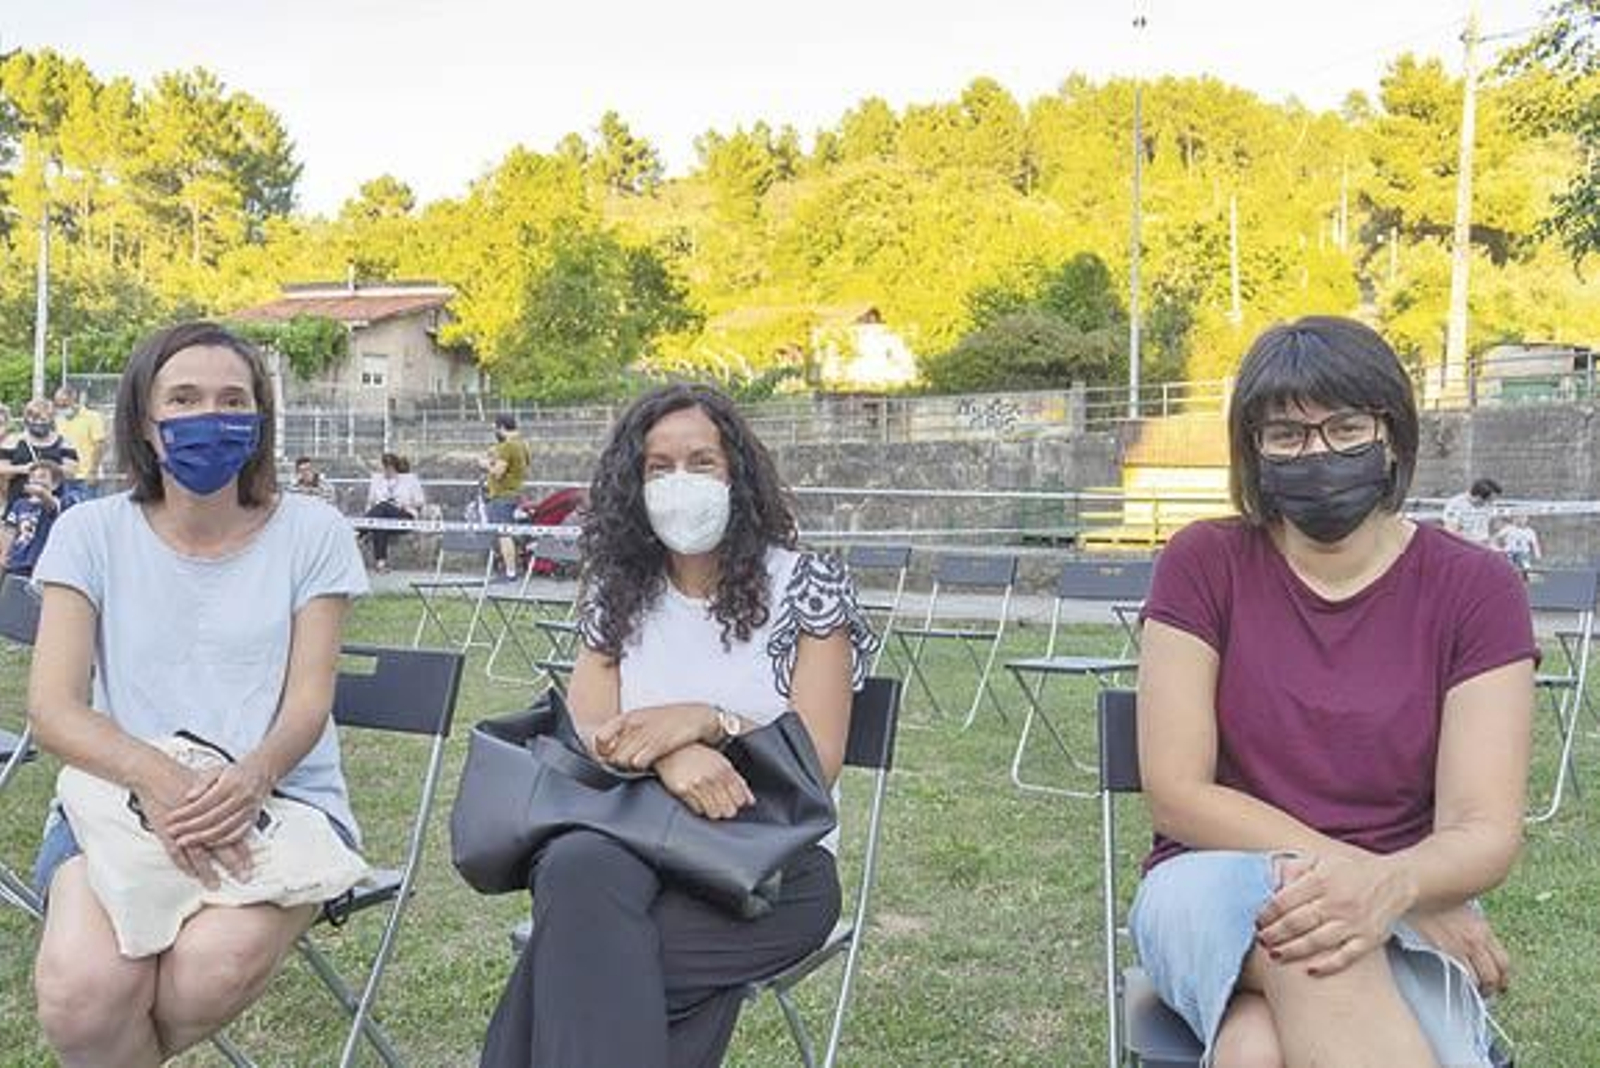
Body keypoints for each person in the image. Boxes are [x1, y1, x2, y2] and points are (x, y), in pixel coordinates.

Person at [1131, 317, 1536, 1068]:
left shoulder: (1477, 590)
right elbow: (1179, 795)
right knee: (1313, 933)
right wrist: (1369, 887)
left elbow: (1483, 827)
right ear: (1253, 451)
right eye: (1286, 435)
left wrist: (1398, 887)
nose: (1317, 453)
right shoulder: (1203, 563)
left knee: (1256, 1051)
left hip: (1404, 887)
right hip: (1209, 881)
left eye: (1345, 426)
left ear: (1391, 433)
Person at [480, 383, 878, 1068]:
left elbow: (817, 757)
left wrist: (708, 723)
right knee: (577, 868)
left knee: (580, 964)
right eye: (658, 468)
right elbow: (589, 733)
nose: (679, 481)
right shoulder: (616, 590)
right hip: (627, 838)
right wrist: (669, 756)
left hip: (771, 861)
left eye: (701, 462)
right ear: (632, 486)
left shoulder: (808, 582)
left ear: (737, 475)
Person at [27, 321, 369, 1067]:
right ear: (145, 425)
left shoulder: (312, 533)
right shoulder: (88, 533)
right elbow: (52, 707)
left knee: (203, 974)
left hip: (281, 797)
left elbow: (308, 704)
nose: (208, 416)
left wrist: (248, 780)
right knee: (80, 992)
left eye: (231, 399)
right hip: (119, 796)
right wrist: (159, 780)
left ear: (258, 421)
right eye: (182, 398)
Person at [3, 398, 78, 509]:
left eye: (43, 418)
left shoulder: (64, 442)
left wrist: (46, 471)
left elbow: (71, 471)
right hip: (19, 505)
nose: (38, 422)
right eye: (34, 418)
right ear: (26, 419)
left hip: (53, 504)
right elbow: (2, 468)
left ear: (51, 419)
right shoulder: (13, 441)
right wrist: (23, 469)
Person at [482, 413, 531, 581]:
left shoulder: (507, 446)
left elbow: (498, 472)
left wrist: (485, 464)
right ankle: (512, 570)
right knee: (508, 533)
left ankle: (510, 573)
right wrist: (495, 456)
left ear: (501, 427)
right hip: (516, 493)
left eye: (496, 428)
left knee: (504, 535)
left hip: (502, 495)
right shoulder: (523, 445)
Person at [362, 452, 426, 574]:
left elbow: (420, 502)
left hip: (404, 516)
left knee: (384, 506)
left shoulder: (410, 480)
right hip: (381, 518)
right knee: (380, 522)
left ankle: (359, 531)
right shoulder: (377, 480)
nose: (386, 470)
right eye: (384, 467)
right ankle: (381, 564)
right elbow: (370, 502)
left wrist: (404, 505)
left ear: (395, 467)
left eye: (389, 467)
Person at [0, 459, 65, 577]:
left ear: (55, 485)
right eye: (32, 476)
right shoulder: (19, 504)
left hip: (38, 563)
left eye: (42, 476)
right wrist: (3, 556)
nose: (35, 479)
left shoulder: (54, 503)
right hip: (16, 561)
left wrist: (41, 491)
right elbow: (9, 531)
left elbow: (49, 502)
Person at [55, 384, 109, 500]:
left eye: (64, 402)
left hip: (87, 476)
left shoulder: (92, 417)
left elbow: (100, 445)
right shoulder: (58, 419)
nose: (61, 406)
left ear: (73, 398)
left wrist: (93, 471)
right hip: (67, 476)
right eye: (58, 403)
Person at [1441, 477, 1502, 546]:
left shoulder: (1488, 504)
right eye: (1489, 500)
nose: (1491, 502)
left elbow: (1494, 527)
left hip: (1484, 545)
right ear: (1478, 497)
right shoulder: (1455, 504)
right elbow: (1451, 532)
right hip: (1465, 546)